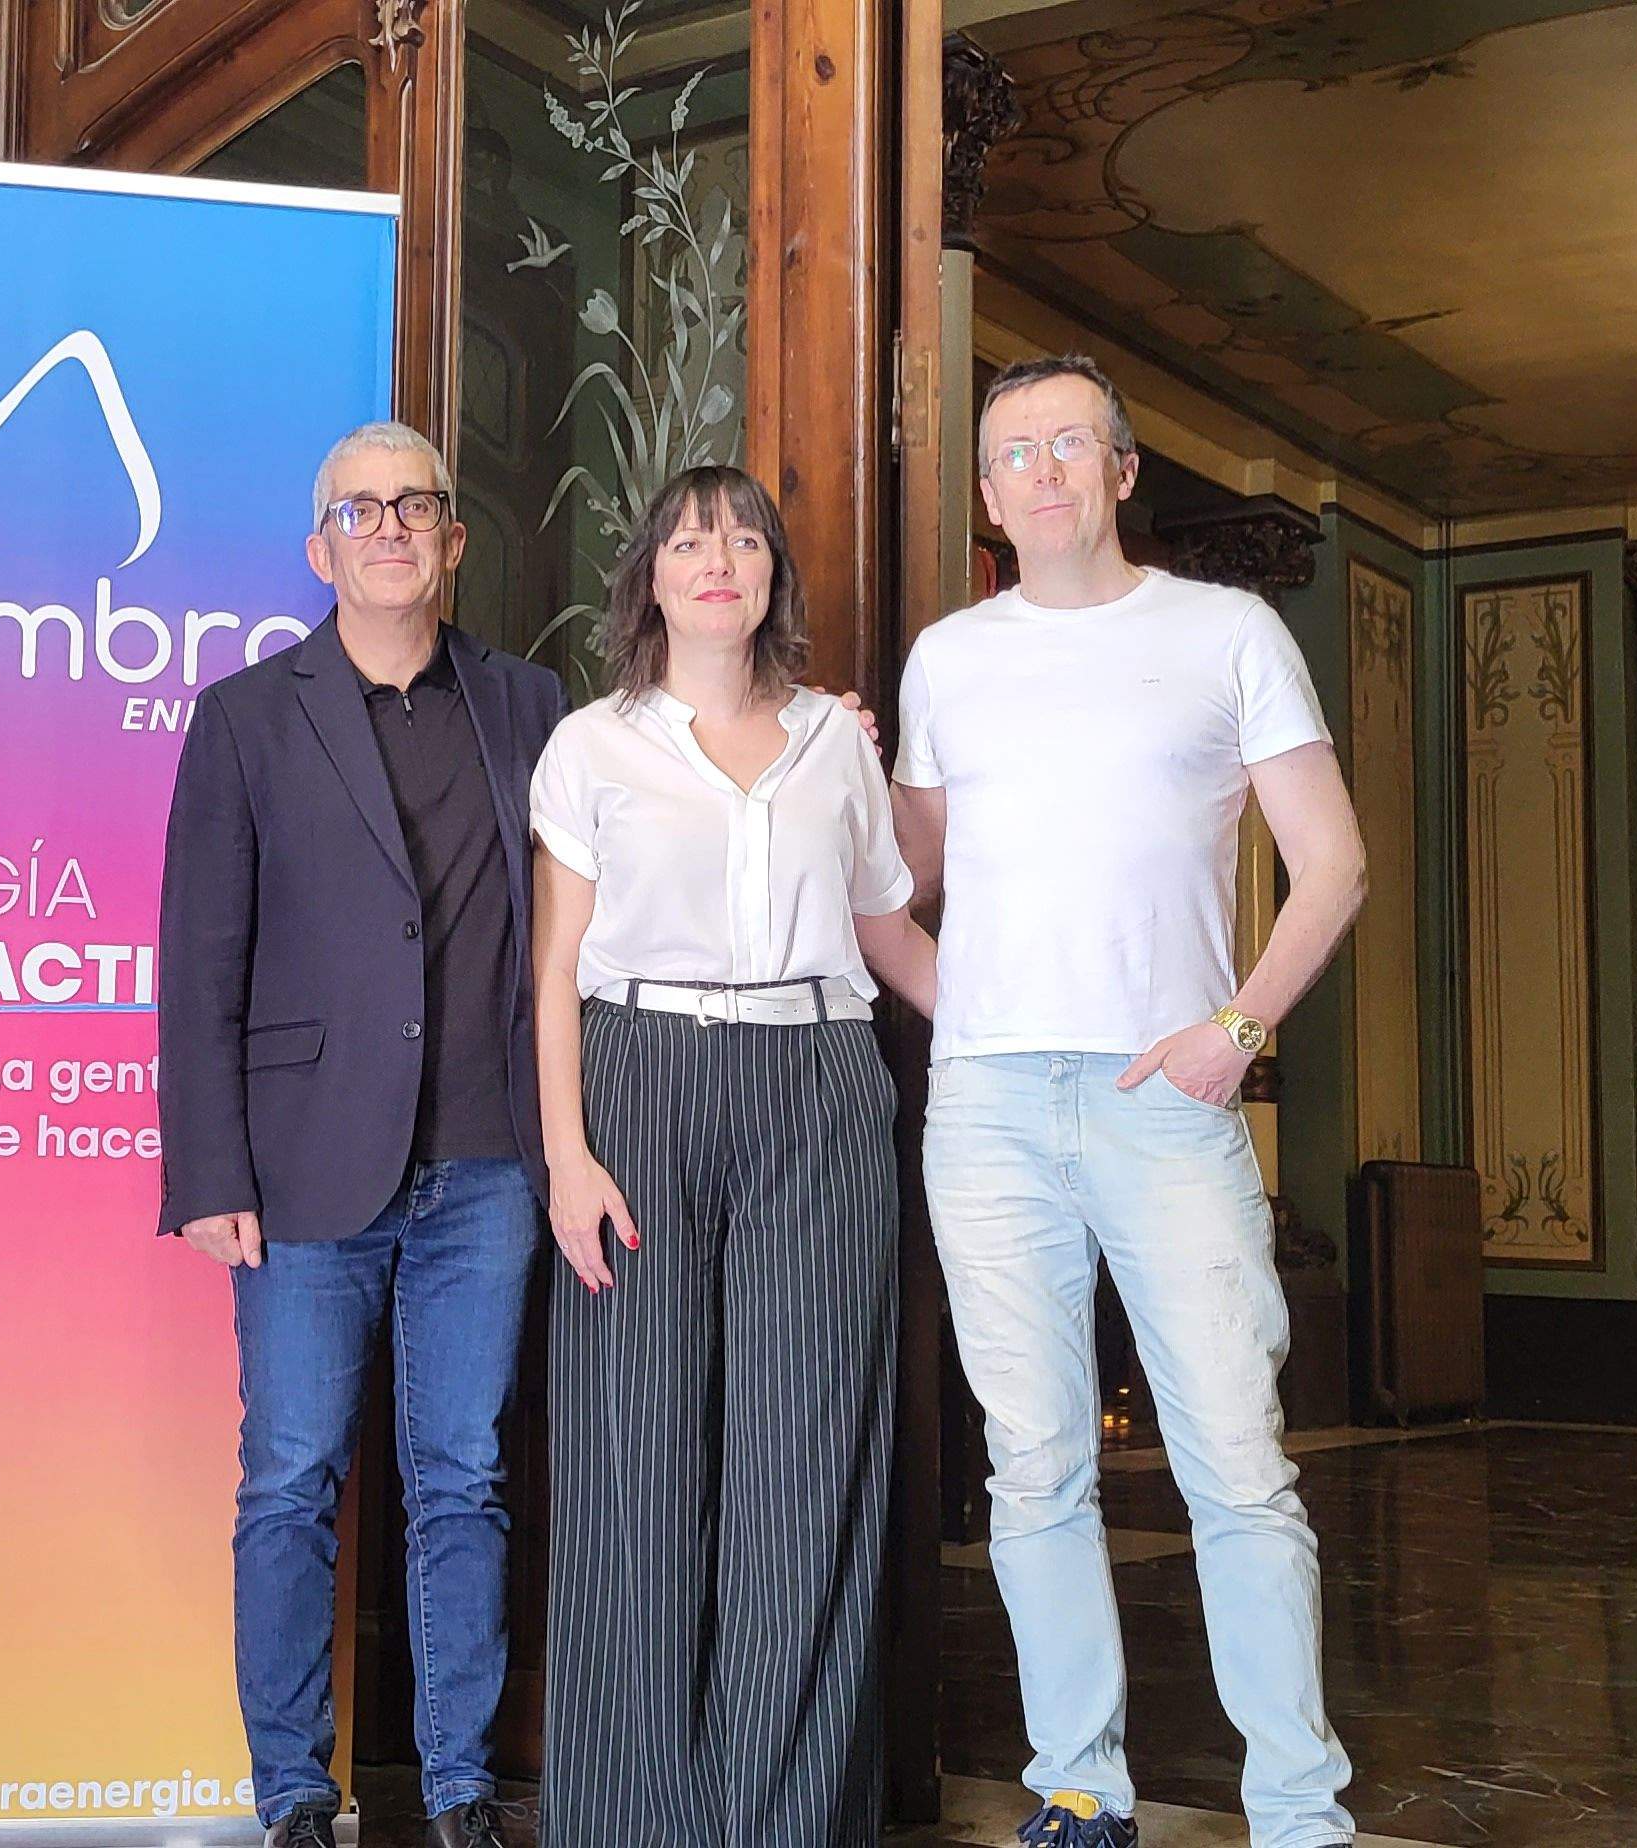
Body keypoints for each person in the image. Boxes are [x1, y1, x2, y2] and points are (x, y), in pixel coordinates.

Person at [892, 353, 1370, 1848]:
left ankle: (1298, 1811)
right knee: (1032, 1467)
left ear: (1121, 468)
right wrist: (959, 1018)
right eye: (1013, 452)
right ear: (987, 496)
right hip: (987, 1113)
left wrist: (1239, 1028)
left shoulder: (1225, 633)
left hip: (1168, 1101)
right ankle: (1079, 1788)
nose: (1041, 470)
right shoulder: (946, 661)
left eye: (1069, 443)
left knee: (1237, 1461)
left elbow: (1334, 866)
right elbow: (897, 894)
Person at [156, 421, 564, 1848]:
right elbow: (200, 959)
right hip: (300, 1163)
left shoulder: (531, 708)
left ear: (453, 540)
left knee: (464, 1478)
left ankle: (458, 1788)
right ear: (320, 546)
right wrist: (208, 1171)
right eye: (361, 507)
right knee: (290, 1478)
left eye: (418, 505)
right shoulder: (246, 716)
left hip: (488, 1161)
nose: (391, 526)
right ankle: (290, 1793)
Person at [527, 465, 938, 1848]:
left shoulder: (838, 742)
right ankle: (632, 1822)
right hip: (638, 1082)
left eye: (745, 539)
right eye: (691, 540)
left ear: (774, 576)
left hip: (820, 1084)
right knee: (633, 1468)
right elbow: (554, 970)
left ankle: (783, 1820)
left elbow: (889, 935)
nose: (719, 560)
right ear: (650, 573)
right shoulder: (592, 745)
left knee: (806, 1469)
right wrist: (565, 1158)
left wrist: (1037, 1025)